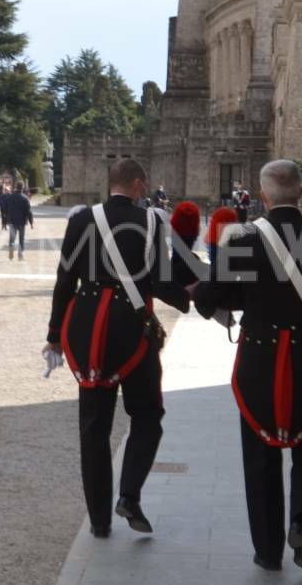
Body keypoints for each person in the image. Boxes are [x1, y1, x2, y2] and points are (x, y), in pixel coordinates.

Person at [195, 159, 302, 572]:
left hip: (259, 358)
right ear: (301, 192)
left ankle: (268, 552)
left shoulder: (244, 238)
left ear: (263, 195)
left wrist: (235, 304)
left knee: (260, 452)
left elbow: (207, 295)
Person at [45, 158, 192, 538]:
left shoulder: (80, 220)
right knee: (147, 416)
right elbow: (161, 281)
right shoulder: (153, 222)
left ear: (109, 184)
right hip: (133, 330)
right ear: (140, 185)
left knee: (93, 426)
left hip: (88, 331)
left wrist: (53, 336)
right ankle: (129, 494)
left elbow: (64, 280)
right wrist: (194, 298)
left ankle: (98, 521)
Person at [0, 183, 34, 260]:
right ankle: (20, 255)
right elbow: (29, 211)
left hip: (11, 221)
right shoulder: (25, 198)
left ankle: (11, 247)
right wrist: (31, 222)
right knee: (21, 238)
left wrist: (5, 219)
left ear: (16, 187)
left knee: (12, 238)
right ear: (22, 188)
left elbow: (4, 208)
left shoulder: (10, 197)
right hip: (21, 221)